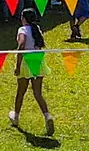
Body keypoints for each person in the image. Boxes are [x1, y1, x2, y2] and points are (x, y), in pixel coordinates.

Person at [10, 7, 56, 136]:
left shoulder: (22, 30)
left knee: (21, 92)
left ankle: (16, 117)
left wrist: (17, 66)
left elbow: (22, 46)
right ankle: (47, 116)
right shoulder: (37, 29)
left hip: (26, 61)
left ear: (24, 18)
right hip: (38, 61)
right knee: (38, 93)